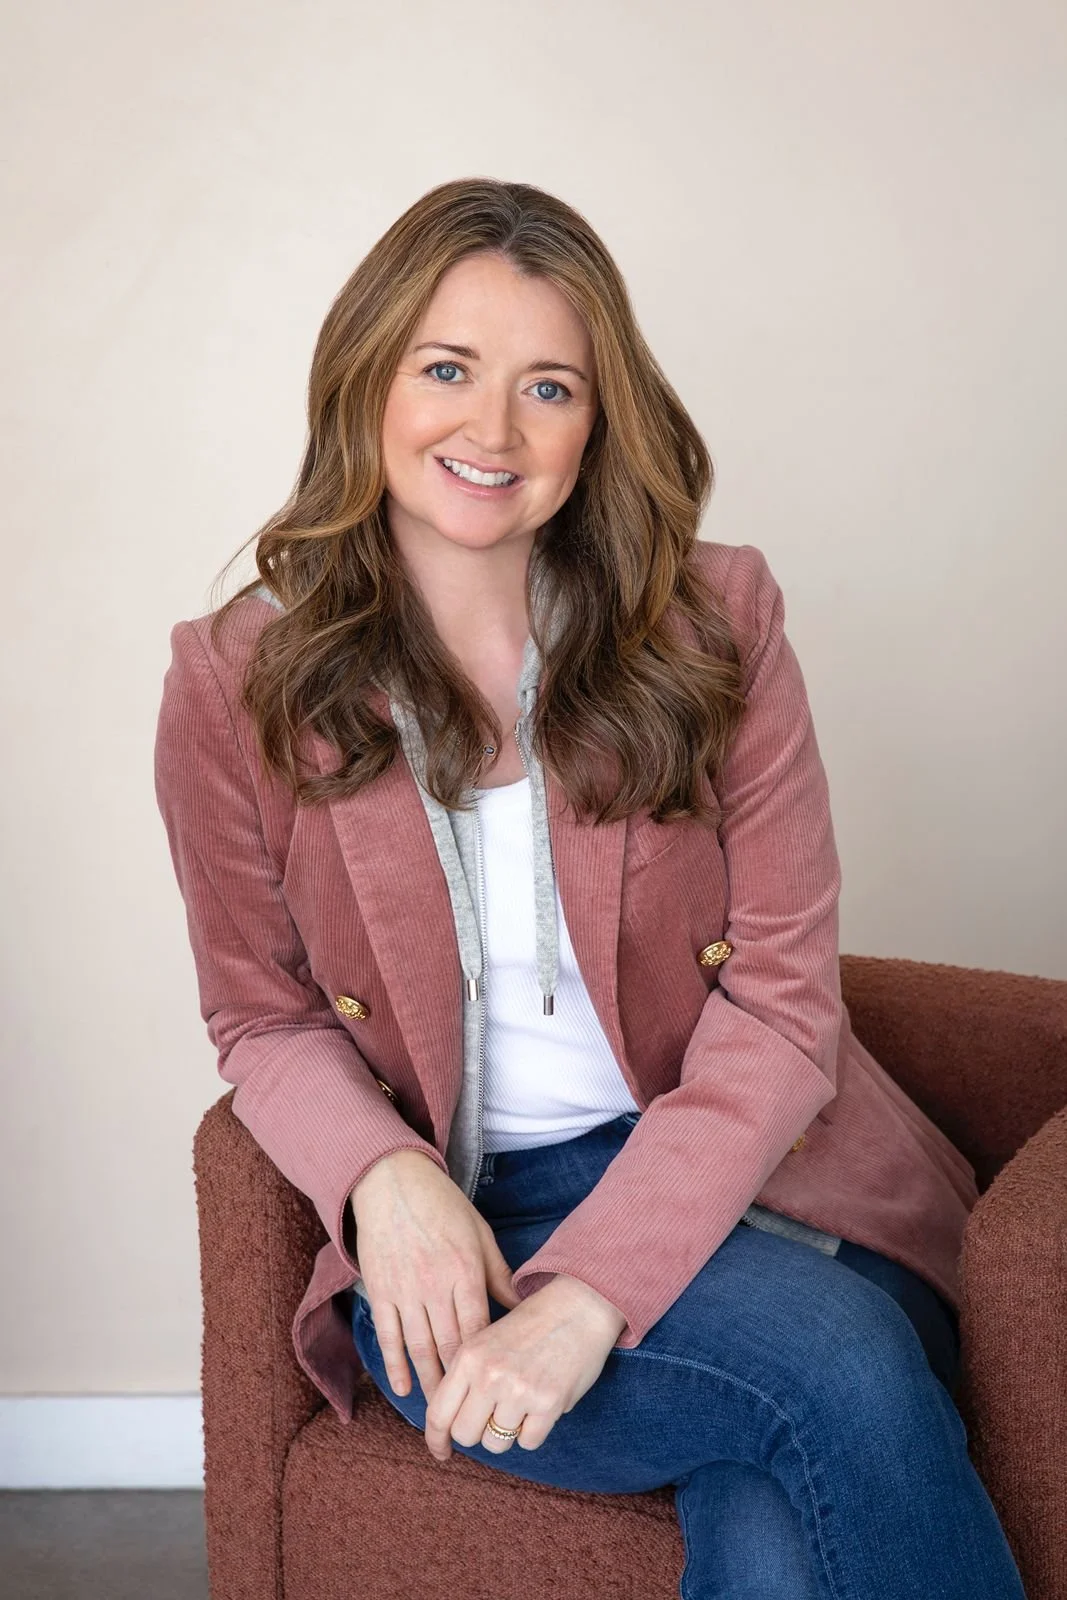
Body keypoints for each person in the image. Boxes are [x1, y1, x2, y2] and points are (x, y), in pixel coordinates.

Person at [154, 177, 1027, 1598]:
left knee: (801, 1448)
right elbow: (259, 1016)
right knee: (835, 1378)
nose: (492, 431)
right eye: (447, 369)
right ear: (366, 382)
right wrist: (388, 1183)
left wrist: (590, 1299)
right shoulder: (235, 682)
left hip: (757, 1181)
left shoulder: (715, 624)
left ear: (597, 423)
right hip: (471, 1221)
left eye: (547, 388)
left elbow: (782, 1006)